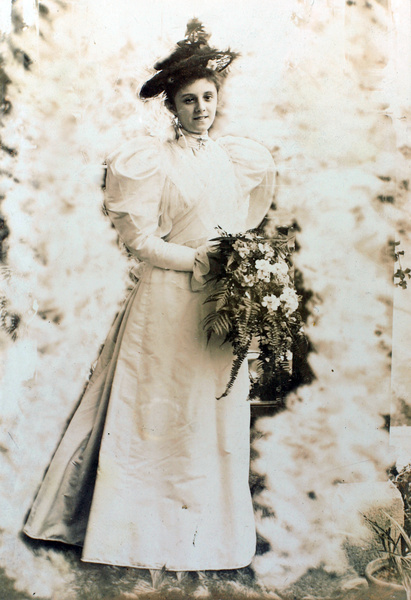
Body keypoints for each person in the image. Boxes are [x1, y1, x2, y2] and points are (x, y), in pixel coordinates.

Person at [23, 20, 276, 575]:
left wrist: (241, 270)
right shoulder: (152, 160)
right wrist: (196, 260)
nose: (201, 109)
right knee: (157, 414)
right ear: (173, 107)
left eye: (208, 98)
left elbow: (237, 226)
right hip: (166, 302)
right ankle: (136, 533)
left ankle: (204, 530)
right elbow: (140, 241)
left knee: (208, 412)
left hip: (217, 307)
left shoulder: (235, 158)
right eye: (189, 101)